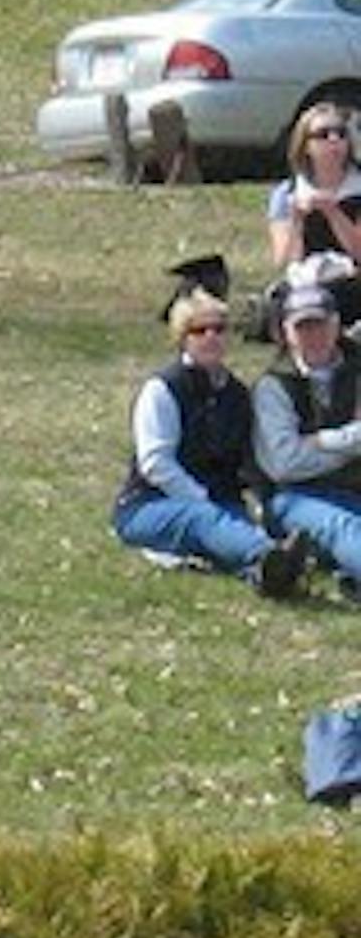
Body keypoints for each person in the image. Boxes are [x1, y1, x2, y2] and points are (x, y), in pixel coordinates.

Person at [112, 277, 308, 596]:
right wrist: (202, 500)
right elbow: (156, 464)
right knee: (207, 522)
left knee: (231, 532)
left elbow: (248, 460)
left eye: (219, 329)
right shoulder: (162, 390)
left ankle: (268, 574)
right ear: (182, 338)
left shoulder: (237, 394)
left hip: (219, 504)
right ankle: (268, 555)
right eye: (199, 331)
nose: (211, 337)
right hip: (151, 505)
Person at [251, 265, 361, 602]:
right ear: (285, 332)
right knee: (344, 528)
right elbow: (284, 464)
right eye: (302, 327)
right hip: (294, 497)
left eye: (320, 324)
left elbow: (305, 452)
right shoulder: (273, 387)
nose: (313, 336)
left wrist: (325, 441)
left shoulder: (357, 367)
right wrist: (354, 440)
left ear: (337, 324)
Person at [265, 106, 361, 304]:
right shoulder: (287, 193)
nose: (334, 140)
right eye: (323, 134)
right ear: (305, 145)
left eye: (340, 133)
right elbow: (283, 262)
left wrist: (333, 213)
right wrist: (297, 221)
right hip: (307, 283)